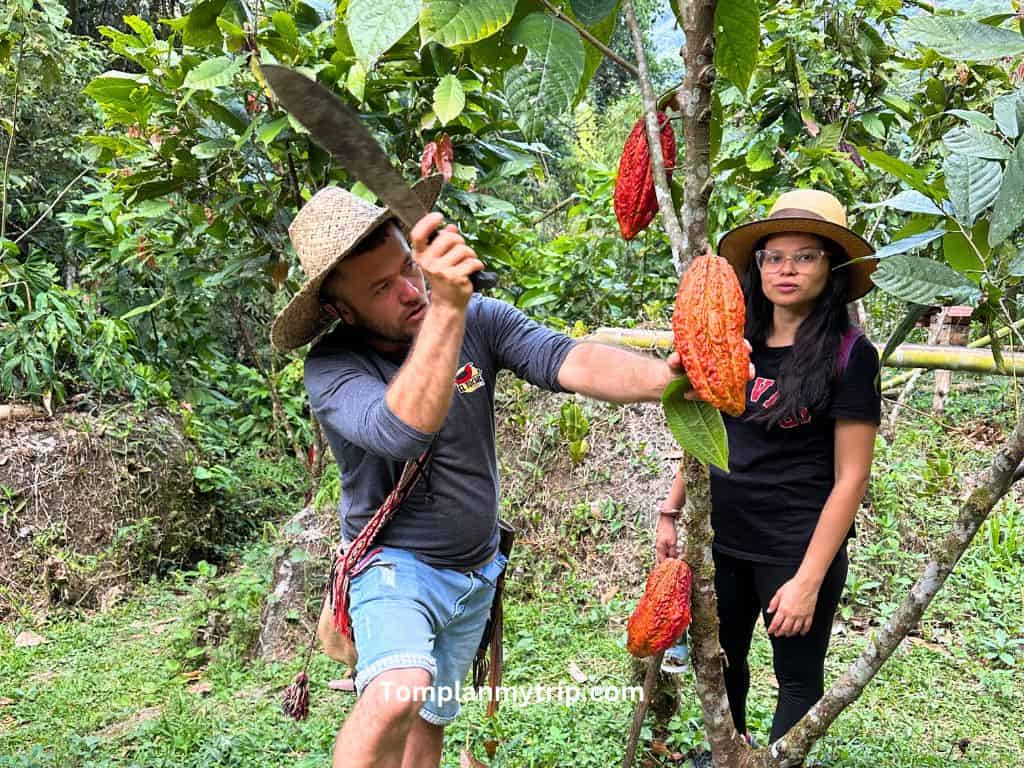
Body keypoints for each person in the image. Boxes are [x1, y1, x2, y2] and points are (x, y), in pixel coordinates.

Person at [269, 177, 746, 768]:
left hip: (475, 569)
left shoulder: (480, 320)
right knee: (398, 693)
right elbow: (400, 430)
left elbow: (566, 358)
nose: (410, 290)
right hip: (393, 564)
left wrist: (674, 377)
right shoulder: (333, 367)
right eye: (382, 288)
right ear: (341, 309)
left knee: (429, 718)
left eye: (407, 269)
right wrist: (448, 308)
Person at [655, 190, 881, 750]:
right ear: (756, 267)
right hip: (722, 539)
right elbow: (710, 432)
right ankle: (730, 756)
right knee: (721, 659)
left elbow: (851, 477)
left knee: (797, 677)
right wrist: (672, 508)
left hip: (795, 545)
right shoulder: (736, 342)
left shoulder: (851, 354)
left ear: (832, 266)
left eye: (805, 256)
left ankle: (776, 763)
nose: (786, 269)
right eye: (773, 256)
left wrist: (807, 581)